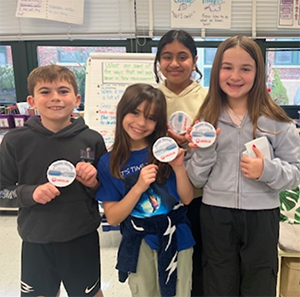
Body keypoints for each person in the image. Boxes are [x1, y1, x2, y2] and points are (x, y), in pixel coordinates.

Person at [186, 35, 300, 297]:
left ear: (258, 73)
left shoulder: (277, 121)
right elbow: (195, 178)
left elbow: (295, 173)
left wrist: (266, 170)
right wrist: (204, 151)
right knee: (218, 282)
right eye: (227, 67)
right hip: (216, 214)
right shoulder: (206, 119)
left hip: (262, 216)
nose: (235, 76)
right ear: (216, 72)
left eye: (245, 68)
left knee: (259, 282)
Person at [0, 65, 107, 297]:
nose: (55, 98)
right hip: (36, 239)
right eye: (45, 92)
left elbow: (106, 191)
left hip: (81, 236)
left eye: (63, 91)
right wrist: (31, 193)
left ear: (77, 98)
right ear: (32, 100)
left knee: (89, 293)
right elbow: (2, 192)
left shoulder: (92, 139)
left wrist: (93, 183)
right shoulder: (14, 142)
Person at [96, 83, 195, 297]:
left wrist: (178, 167)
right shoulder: (108, 162)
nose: (141, 123)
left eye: (151, 117)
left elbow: (187, 199)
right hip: (139, 242)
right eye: (135, 113)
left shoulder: (165, 151)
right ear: (122, 111)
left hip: (177, 239)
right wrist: (139, 187)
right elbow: (113, 218)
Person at [154, 29, 208, 297]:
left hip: (198, 194)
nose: (174, 64)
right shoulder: (149, 98)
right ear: (159, 61)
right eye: (167, 57)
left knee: (196, 261)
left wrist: (189, 142)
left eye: (182, 56)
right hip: (159, 195)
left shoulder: (209, 98)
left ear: (195, 60)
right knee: (162, 264)